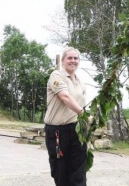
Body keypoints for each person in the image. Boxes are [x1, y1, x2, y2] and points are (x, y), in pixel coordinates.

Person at [44, 46, 87, 186]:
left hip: (76, 129)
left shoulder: (80, 82)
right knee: (60, 171)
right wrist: (83, 113)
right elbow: (65, 97)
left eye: (76, 58)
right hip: (58, 131)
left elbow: (81, 103)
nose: (73, 61)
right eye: (69, 58)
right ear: (63, 60)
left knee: (79, 171)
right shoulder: (57, 75)